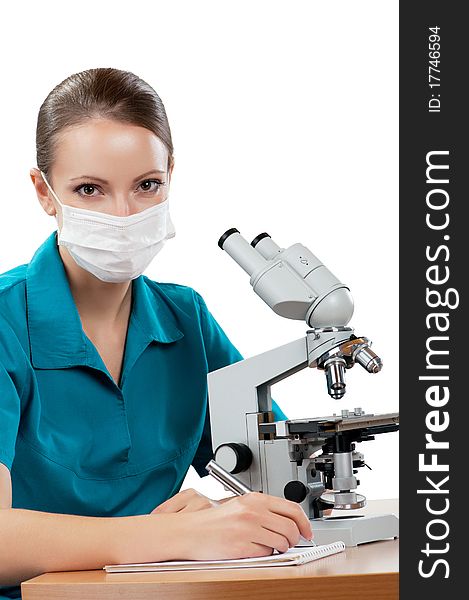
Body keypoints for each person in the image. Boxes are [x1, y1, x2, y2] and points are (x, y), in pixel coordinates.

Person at [0, 68, 313, 597]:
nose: (123, 215)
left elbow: (284, 484)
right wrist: (166, 533)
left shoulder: (184, 317)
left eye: (147, 186)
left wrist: (224, 514)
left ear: (171, 174)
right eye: (89, 189)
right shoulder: (7, 322)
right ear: (44, 192)